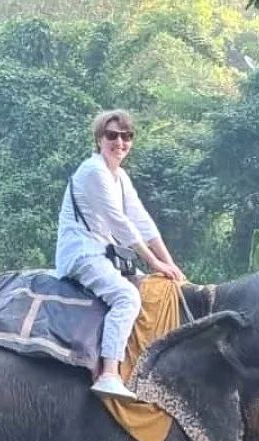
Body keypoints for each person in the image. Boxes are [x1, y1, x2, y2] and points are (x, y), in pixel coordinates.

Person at [56, 110, 185, 399]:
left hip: (104, 252)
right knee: (127, 297)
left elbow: (141, 219)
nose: (120, 142)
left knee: (155, 287)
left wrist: (171, 265)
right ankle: (109, 374)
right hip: (82, 252)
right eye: (112, 135)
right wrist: (153, 262)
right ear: (99, 139)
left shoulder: (120, 176)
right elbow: (118, 221)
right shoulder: (93, 171)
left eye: (126, 136)